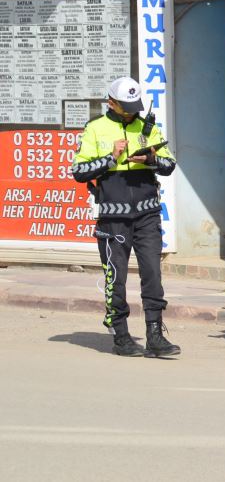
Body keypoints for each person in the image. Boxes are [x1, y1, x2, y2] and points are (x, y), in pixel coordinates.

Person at [71, 77, 179, 357]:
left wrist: (152, 160)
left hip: (148, 214)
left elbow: (170, 164)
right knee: (115, 277)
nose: (132, 113)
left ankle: (155, 335)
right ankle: (120, 335)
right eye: (126, 107)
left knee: (152, 273)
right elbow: (79, 171)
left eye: (135, 107)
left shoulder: (147, 127)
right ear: (111, 103)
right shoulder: (95, 128)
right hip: (113, 218)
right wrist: (111, 157)